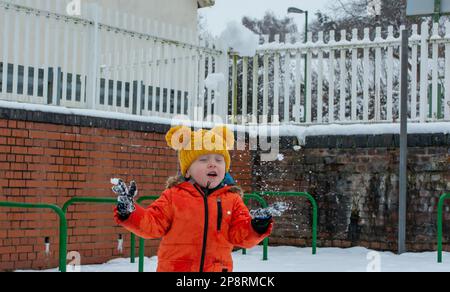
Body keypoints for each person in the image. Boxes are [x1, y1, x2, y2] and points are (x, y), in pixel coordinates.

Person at [112, 125, 273, 272]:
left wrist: (256, 226)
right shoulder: (174, 196)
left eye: (219, 159)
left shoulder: (232, 200)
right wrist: (129, 212)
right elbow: (152, 224)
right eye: (203, 159)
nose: (212, 164)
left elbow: (241, 235)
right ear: (187, 171)